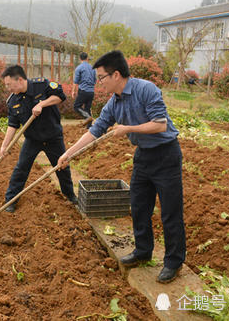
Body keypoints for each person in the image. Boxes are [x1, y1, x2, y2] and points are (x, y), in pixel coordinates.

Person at [58, 51, 186, 284]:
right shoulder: (113, 103)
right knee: (138, 206)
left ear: (116, 74)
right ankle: (143, 250)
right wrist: (68, 154)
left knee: (170, 211)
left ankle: (174, 262)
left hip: (166, 155)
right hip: (144, 157)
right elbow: (94, 131)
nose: (100, 82)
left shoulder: (146, 89)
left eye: (102, 77)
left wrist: (127, 128)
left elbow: (160, 125)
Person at [0, 65, 78, 213]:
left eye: (9, 85)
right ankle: (11, 200)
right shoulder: (12, 101)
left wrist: (42, 103)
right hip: (32, 140)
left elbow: (60, 96)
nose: (8, 88)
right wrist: (4, 146)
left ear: (20, 80)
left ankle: (70, 195)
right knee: (21, 169)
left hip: (53, 137)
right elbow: (12, 125)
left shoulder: (42, 85)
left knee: (62, 167)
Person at [72, 52, 97, 128]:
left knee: (76, 106)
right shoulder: (92, 68)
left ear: (80, 59)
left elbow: (76, 81)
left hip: (83, 90)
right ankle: (89, 126)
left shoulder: (79, 68)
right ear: (87, 58)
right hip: (91, 91)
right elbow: (95, 80)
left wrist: (73, 91)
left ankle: (87, 117)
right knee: (87, 108)